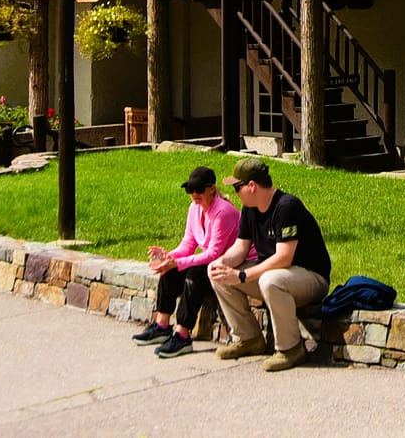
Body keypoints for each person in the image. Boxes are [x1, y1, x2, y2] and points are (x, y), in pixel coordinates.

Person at [208, 156, 331, 372]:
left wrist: (243, 276)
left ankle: (291, 349)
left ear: (252, 186)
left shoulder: (287, 207)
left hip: (310, 277)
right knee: (218, 273)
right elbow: (240, 248)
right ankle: (249, 338)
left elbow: (284, 257)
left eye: (238, 187)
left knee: (270, 280)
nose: (235, 193)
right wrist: (222, 262)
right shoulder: (249, 209)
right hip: (276, 276)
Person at [133, 165, 240, 358]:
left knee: (194, 275)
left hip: (229, 266)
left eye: (199, 189)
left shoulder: (223, 212)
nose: (194, 194)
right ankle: (162, 325)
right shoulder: (194, 208)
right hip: (212, 264)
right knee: (170, 270)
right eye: (190, 189)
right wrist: (169, 257)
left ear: (212, 189)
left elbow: (214, 253)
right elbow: (188, 244)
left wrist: (179, 262)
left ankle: (182, 335)